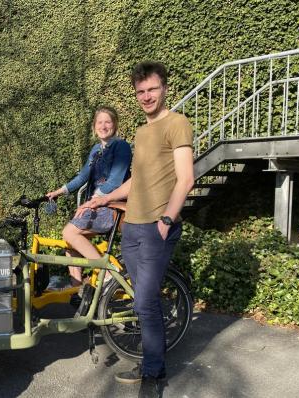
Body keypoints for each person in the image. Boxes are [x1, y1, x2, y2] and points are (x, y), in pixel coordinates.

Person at [78, 62, 194, 398]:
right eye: (141, 91)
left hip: (158, 227)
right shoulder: (141, 133)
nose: (146, 96)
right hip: (132, 226)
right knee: (140, 299)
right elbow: (136, 181)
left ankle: (154, 373)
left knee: (144, 300)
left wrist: (167, 219)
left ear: (164, 88)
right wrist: (104, 199)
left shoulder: (177, 124)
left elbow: (186, 178)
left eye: (152, 89)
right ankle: (149, 361)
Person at [47, 106, 132, 287]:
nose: (103, 126)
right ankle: (77, 288)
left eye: (107, 122)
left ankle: (109, 273)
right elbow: (83, 177)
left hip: (112, 206)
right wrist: (59, 191)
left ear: (115, 125)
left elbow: (116, 182)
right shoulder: (96, 150)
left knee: (69, 232)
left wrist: (92, 201)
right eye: (99, 122)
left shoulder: (121, 146)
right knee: (69, 242)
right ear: (94, 127)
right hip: (96, 204)